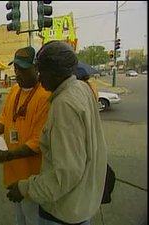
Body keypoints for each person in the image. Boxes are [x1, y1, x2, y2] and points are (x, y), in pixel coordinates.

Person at [6, 41, 107, 225]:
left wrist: (24, 187)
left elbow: (65, 174)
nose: (39, 76)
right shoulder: (81, 88)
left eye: (41, 70)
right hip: (82, 202)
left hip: (64, 211)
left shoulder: (64, 104)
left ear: (55, 71)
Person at [0, 46, 51, 225]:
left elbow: (38, 142)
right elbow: (3, 121)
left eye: (23, 69)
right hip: (12, 173)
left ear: (36, 68)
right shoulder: (14, 91)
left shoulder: (45, 97)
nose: (18, 73)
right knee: (20, 219)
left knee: (34, 219)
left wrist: (5, 155)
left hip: (33, 178)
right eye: (16, 68)